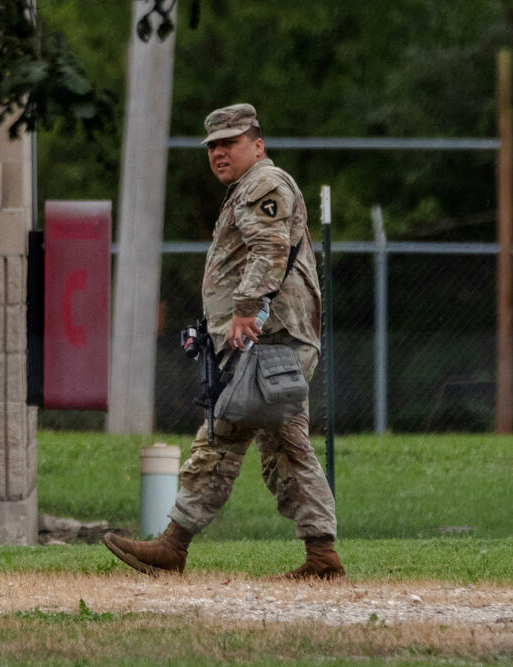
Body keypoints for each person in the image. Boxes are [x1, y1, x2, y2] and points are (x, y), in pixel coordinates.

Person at [103, 103, 344, 579]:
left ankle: (176, 546)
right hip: (264, 342)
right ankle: (319, 557)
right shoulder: (245, 189)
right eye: (212, 145)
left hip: (268, 340)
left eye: (229, 142)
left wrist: (242, 310)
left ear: (257, 143)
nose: (218, 152)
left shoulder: (263, 184)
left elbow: (270, 248)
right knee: (273, 445)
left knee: (230, 439)